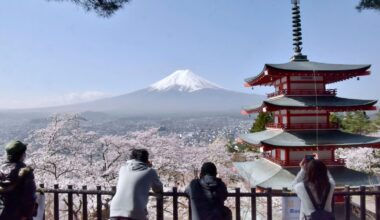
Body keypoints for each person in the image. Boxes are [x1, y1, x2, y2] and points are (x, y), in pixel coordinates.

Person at [110, 149, 163, 220]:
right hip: (134, 210)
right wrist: (149, 167)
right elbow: (158, 188)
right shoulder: (150, 171)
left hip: (115, 209)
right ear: (146, 159)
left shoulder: (122, 169)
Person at [0, 140, 37, 220]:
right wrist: (26, 214)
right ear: (21, 155)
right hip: (20, 215)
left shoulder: (1, 170)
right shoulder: (25, 172)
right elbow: (30, 197)